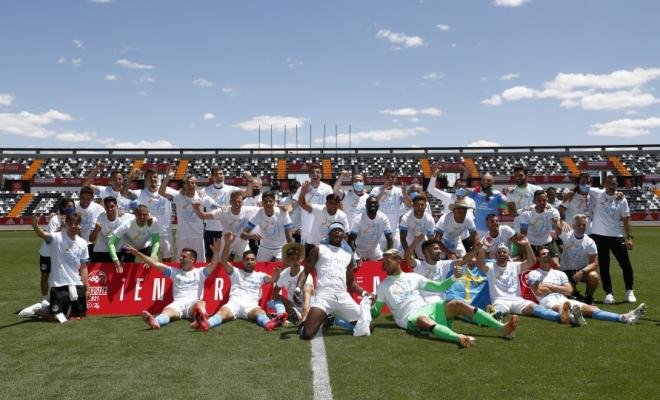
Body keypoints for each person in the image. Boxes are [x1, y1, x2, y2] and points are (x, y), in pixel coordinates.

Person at [371, 248, 519, 348]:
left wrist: (454, 277)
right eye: (384, 262)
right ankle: (459, 338)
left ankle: (502, 328)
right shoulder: (383, 286)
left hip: (428, 308)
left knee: (457, 304)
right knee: (422, 319)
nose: (385, 264)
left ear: (398, 260)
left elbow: (440, 287)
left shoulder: (413, 277)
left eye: (388, 260)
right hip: (409, 318)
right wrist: (371, 307)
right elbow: (376, 313)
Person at [527, 247, 647, 326]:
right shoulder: (533, 273)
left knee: (592, 309)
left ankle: (624, 317)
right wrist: (556, 288)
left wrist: (547, 285)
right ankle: (574, 318)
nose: (546, 256)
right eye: (543, 254)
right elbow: (538, 291)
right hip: (547, 301)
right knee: (560, 307)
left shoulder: (559, 273)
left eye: (548, 254)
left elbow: (569, 291)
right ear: (538, 257)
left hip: (564, 299)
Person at [196, 232, 282, 331]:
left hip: (251, 305)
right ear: (242, 261)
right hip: (234, 303)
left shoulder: (260, 276)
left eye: (252, 259)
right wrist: (227, 244)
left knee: (260, 312)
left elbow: (272, 279)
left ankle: (269, 324)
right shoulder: (236, 272)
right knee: (222, 312)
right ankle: (206, 324)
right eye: (247, 259)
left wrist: (277, 273)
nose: (249, 261)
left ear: (255, 262)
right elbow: (223, 261)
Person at [475, 237, 573, 325]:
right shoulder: (490, 267)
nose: (502, 254)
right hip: (500, 301)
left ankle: (560, 317)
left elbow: (532, 261)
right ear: (495, 255)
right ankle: (493, 316)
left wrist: (527, 245)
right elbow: (479, 264)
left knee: (535, 308)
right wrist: (484, 248)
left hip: (517, 300)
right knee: (498, 310)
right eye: (499, 252)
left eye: (504, 252)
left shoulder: (514, 265)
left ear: (508, 254)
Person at [298, 222, 370, 339]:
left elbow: (351, 283)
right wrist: (297, 289)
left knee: (368, 327)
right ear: (328, 234)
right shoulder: (318, 249)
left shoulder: (348, 255)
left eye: (340, 230)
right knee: (307, 334)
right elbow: (305, 271)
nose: (337, 232)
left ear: (344, 236)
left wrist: (365, 293)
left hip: (343, 298)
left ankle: (333, 319)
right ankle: (308, 324)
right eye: (334, 230)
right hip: (323, 298)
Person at [132, 239, 222, 331]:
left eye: (184, 256)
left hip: (193, 303)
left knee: (201, 303)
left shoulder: (200, 272)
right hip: (177, 304)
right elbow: (155, 263)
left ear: (192, 259)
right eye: (180, 256)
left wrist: (216, 252)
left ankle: (200, 320)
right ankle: (155, 321)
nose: (180, 258)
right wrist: (138, 254)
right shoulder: (173, 272)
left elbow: (213, 264)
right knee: (167, 311)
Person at [30, 212, 90, 322]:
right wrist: (35, 226)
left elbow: (83, 267)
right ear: (66, 224)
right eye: (70, 223)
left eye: (76, 224)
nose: (73, 226)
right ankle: (38, 310)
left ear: (79, 225)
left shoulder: (83, 243)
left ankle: (53, 308)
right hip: (59, 285)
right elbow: (43, 235)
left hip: (77, 284)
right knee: (57, 318)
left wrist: (87, 287)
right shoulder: (57, 237)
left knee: (79, 316)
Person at [587, 174, 636, 303]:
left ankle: (629, 291)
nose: (612, 186)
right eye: (609, 183)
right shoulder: (597, 193)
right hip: (598, 236)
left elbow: (626, 220)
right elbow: (581, 186)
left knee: (625, 264)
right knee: (603, 266)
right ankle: (609, 294)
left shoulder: (621, 199)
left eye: (614, 183)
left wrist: (630, 237)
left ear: (617, 185)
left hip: (616, 236)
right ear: (604, 184)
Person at [405, 234, 482, 304]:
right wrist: (415, 241)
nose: (439, 251)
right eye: (436, 249)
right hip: (425, 302)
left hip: (442, 300)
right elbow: (407, 257)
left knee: (462, 304)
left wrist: (476, 249)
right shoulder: (419, 265)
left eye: (439, 249)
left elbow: (462, 261)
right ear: (426, 252)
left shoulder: (443, 264)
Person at [123, 167, 175, 261]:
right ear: (145, 180)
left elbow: (183, 194)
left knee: (167, 261)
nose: (153, 179)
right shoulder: (140, 193)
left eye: (155, 177)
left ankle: (164, 277)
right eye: (150, 177)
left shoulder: (166, 190)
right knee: (151, 262)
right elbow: (123, 193)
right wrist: (130, 177)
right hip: (149, 234)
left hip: (165, 233)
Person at [192, 190, 258, 261]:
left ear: (242, 202)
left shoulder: (248, 210)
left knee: (249, 260)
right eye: (235, 201)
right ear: (230, 202)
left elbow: (264, 210)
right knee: (220, 263)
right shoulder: (224, 211)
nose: (237, 204)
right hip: (226, 241)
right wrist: (197, 207)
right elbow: (203, 216)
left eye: (239, 202)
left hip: (242, 242)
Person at [159, 166, 206, 262]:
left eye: (192, 183)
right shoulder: (178, 196)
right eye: (187, 183)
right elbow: (161, 192)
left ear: (196, 184)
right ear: (184, 185)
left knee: (200, 263)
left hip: (197, 236)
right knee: (181, 262)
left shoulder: (202, 196)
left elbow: (215, 206)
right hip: (182, 237)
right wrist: (168, 177)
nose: (190, 185)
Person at [553, 214, 599, 304]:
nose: (581, 227)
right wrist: (560, 221)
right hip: (566, 270)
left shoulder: (590, 242)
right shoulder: (566, 235)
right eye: (578, 224)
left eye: (584, 225)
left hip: (581, 270)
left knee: (593, 276)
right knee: (567, 293)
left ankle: (589, 297)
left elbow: (595, 263)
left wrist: (582, 272)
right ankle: (574, 292)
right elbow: (557, 227)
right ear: (573, 226)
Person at [268, 242, 315, 327]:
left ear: (301, 259)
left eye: (298, 258)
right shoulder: (284, 274)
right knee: (274, 299)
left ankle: (300, 315)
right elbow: (276, 291)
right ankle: (284, 314)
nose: (296, 261)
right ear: (288, 261)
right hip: (292, 305)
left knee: (310, 290)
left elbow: (308, 294)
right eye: (293, 259)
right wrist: (278, 301)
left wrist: (305, 310)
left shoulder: (305, 274)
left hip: (307, 305)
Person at [37, 197, 75, 298]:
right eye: (69, 206)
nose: (71, 208)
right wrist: (62, 226)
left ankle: (62, 299)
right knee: (45, 277)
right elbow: (50, 238)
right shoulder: (54, 219)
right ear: (63, 207)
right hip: (47, 253)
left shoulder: (73, 219)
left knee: (62, 277)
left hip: (61, 254)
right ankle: (45, 300)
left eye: (72, 207)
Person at [201, 166, 240, 260]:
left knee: (228, 258)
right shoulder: (204, 191)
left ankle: (228, 275)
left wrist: (250, 181)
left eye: (220, 174)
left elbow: (247, 193)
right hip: (211, 230)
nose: (218, 176)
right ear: (212, 177)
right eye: (215, 174)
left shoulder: (232, 189)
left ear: (224, 175)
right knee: (210, 258)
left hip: (227, 228)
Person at [241, 191, 293, 261]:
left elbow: (288, 234)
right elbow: (242, 235)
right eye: (265, 201)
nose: (268, 203)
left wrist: (291, 249)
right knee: (258, 269)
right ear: (262, 203)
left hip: (280, 248)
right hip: (264, 248)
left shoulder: (282, 212)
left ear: (274, 202)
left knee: (283, 268)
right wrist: (251, 236)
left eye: (270, 201)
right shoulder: (258, 214)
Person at [108, 205, 160, 273]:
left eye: (144, 215)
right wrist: (115, 259)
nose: (142, 217)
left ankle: (149, 281)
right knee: (123, 268)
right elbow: (111, 242)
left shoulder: (153, 222)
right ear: (135, 215)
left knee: (155, 260)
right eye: (139, 215)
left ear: (148, 214)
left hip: (145, 246)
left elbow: (156, 242)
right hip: (130, 247)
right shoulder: (127, 224)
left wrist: (152, 257)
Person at [369, 166, 412, 250]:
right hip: (379, 231)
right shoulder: (376, 189)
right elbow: (371, 204)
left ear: (395, 178)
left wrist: (404, 193)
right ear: (383, 177)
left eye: (392, 177)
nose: (390, 179)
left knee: (395, 258)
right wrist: (383, 191)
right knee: (379, 258)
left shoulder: (398, 191)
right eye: (388, 177)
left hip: (394, 231)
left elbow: (409, 205)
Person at [299, 183, 349, 251]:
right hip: (313, 245)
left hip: (331, 247)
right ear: (326, 204)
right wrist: (302, 192)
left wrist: (343, 249)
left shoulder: (342, 216)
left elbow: (345, 234)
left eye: (335, 203)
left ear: (338, 205)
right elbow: (302, 204)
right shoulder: (319, 209)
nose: (333, 206)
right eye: (331, 203)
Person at [293, 164, 333, 244]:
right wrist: (303, 192)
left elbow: (332, 205)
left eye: (317, 172)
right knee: (307, 255)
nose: (315, 174)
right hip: (307, 230)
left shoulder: (327, 188)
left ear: (321, 175)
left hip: (323, 228)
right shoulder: (302, 188)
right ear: (309, 175)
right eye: (312, 172)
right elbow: (294, 204)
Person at [518, 190, 561, 264]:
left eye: (544, 200)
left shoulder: (553, 212)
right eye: (539, 200)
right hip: (531, 244)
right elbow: (523, 234)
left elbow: (559, 232)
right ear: (534, 201)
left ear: (547, 200)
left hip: (547, 242)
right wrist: (524, 252)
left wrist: (556, 223)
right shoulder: (526, 213)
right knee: (528, 266)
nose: (542, 203)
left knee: (556, 265)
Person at [89, 196, 135, 263]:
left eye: (112, 206)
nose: (109, 209)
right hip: (101, 251)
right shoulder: (99, 218)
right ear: (104, 207)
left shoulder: (125, 216)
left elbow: (141, 216)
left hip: (118, 251)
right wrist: (96, 230)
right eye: (107, 207)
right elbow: (91, 239)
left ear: (116, 206)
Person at [347, 195, 393, 261]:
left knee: (385, 265)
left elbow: (390, 237)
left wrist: (389, 254)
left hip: (374, 251)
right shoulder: (358, 219)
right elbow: (351, 240)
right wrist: (357, 254)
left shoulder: (383, 218)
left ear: (378, 205)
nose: (372, 205)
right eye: (370, 203)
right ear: (366, 205)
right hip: (359, 251)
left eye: (375, 203)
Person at [399, 193, 436, 258]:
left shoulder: (430, 219)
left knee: (427, 258)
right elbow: (403, 239)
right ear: (413, 205)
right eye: (417, 205)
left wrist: (430, 251)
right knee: (404, 258)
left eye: (422, 205)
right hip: (407, 242)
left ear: (425, 206)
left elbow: (431, 239)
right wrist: (408, 252)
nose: (420, 207)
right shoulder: (405, 218)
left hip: (422, 243)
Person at [76, 185, 105, 254]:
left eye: (88, 199)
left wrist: (118, 212)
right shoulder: (73, 205)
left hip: (90, 243)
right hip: (74, 243)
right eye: (83, 198)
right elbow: (62, 212)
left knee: (89, 264)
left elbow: (109, 214)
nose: (85, 201)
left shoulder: (98, 208)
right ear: (79, 196)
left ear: (92, 198)